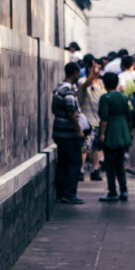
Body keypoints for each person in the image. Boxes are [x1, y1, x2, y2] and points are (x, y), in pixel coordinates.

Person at [51, 62, 85, 204]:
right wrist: (78, 130)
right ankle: (70, 194)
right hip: (68, 133)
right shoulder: (69, 91)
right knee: (75, 162)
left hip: (58, 131)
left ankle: (60, 193)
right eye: (78, 73)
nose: (79, 75)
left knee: (63, 163)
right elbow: (71, 112)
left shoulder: (59, 88)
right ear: (75, 73)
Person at [97, 72, 131, 202]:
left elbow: (104, 118)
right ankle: (124, 190)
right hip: (122, 131)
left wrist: (102, 134)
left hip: (111, 131)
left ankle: (112, 191)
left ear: (105, 84)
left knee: (110, 164)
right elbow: (128, 115)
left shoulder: (105, 98)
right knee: (120, 163)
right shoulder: (123, 97)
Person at [77, 56, 104, 181]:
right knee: (84, 148)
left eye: (100, 68)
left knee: (97, 148)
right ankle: (81, 170)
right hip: (87, 121)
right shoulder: (83, 81)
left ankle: (95, 169)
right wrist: (92, 75)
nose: (99, 71)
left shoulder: (101, 83)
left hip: (99, 120)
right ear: (89, 68)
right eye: (96, 68)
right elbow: (83, 87)